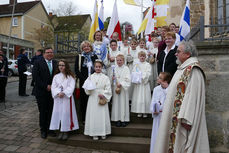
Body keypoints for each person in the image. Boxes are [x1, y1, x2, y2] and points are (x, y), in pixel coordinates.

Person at [153, 40, 210, 153]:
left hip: (182, 120)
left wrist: (187, 119)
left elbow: (192, 96)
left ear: (187, 54)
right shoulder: (183, 68)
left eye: (178, 51)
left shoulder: (193, 70)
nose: (175, 53)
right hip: (175, 116)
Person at [50, 59, 79, 140]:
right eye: (59, 65)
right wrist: (58, 93)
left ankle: (66, 131)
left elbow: (71, 87)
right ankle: (60, 131)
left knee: (66, 114)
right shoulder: (56, 76)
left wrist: (64, 93)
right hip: (58, 98)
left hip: (66, 98)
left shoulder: (70, 76)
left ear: (66, 66)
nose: (61, 67)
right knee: (58, 113)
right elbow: (53, 87)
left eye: (63, 65)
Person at [83, 60, 112, 140]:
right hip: (93, 98)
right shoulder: (90, 77)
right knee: (93, 116)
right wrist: (88, 88)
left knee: (102, 116)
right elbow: (86, 89)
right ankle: (94, 132)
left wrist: (103, 94)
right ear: (94, 67)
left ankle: (103, 132)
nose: (98, 68)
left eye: (99, 67)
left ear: (102, 67)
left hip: (102, 98)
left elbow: (108, 89)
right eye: (96, 67)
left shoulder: (105, 77)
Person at [33, 47, 57, 139]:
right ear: (44, 54)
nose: (49, 54)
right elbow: (36, 77)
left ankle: (51, 129)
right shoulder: (38, 62)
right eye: (47, 52)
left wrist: (53, 87)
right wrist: (45, 86)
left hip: (53, 92)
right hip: (41, 91)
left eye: (51, 52)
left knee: (51, 110)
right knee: (43, 111)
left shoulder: (56, 63)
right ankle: (43, 130)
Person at [75, 41, 98, 123]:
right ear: (82, 48)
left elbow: (97, 67)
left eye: (88, 46)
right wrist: (84, 80)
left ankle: (93, 118)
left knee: (93, 99)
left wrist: (92, 78)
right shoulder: (79, 57)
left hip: (93, 80)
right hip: (83, 81)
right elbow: (77, 70)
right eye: (84, 46)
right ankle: (84, 119)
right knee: (84, 100)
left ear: (91, 47)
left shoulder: (94, 56)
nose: (86, 48)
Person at [149, 72, 172, 153]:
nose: (157, 79)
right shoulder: (156, 89)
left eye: (160, 78)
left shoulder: (171, 90)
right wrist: (153, 110)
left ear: (165, 81)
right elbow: (152, 102)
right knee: (156, 135)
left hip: (166, 117)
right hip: (157, 117)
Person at [110, 54, 131, 127]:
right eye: (117, 60)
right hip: (116, 89)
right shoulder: (114, 68)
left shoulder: (126, 68)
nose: (119, 62)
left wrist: (121, 84)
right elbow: (111, 78)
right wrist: (112, 80)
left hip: (123, 89)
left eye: (120, 60)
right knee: (116, 104)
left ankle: (123, 119)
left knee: (123, 103)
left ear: (123, 61)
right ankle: (117, 119)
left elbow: (128, 79)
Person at [131, 51, 151, 118]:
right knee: (139, 97)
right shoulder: (136, 65)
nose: (142, 57)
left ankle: (145, 111)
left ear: (145, 57)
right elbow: (133, 72)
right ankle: (139, 111)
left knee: (145, 97)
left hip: (144, 84)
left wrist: (141, 76)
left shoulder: (147, 64)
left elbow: (148, 73)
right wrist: (137, 77)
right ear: (138, 57)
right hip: (138, 83)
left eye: (143, 56)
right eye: (141, 56)